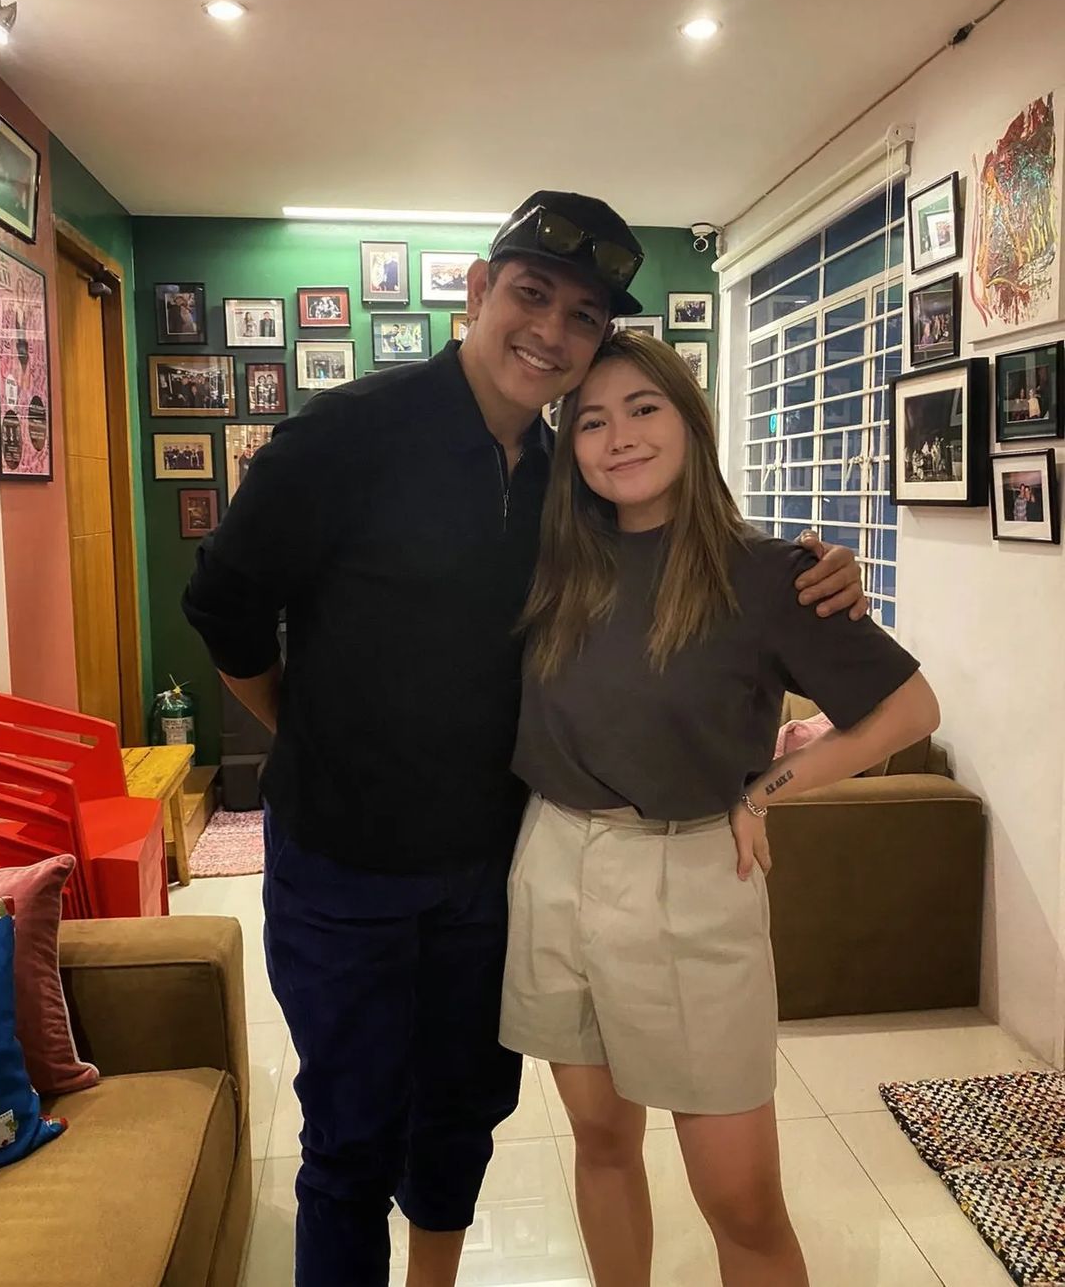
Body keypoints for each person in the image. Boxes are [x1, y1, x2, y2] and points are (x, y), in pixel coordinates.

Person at [180, 190, 867, 1287]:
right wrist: (308, 729)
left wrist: (817, 576)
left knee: (459, 1122)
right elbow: (223, 609)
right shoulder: (344, 435)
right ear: (477, 291)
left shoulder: (568, 483)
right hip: (344, 869)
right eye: (531, 294)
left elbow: (673, 552)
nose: (550, 330)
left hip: (494, 869)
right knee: (351, 1141)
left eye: (582, 315)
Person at [501, 332, 939, 1287]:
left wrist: (766, 789)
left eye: (644, 409)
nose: (619, 437)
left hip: (692, 879)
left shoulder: (771, 574)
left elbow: (908, 710)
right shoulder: (555, 559)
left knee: (741, 1199)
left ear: (691, 422)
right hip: (555, 862)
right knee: (600, 1142)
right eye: (592, 421)